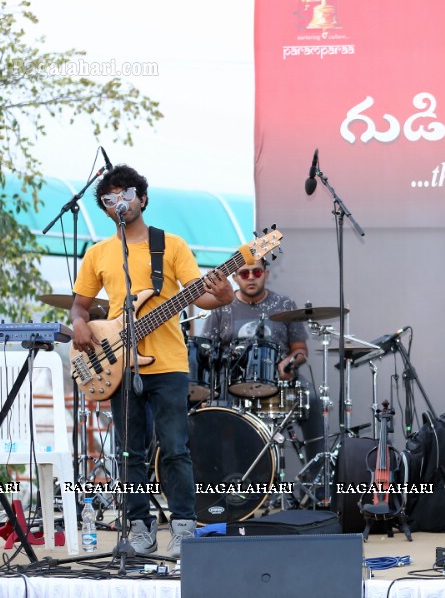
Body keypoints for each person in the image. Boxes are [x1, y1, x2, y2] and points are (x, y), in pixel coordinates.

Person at [70, 165, 233, 557]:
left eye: (125, 193)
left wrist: (224, 295)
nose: (118, 202)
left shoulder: (171, 245)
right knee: (129, 452)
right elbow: (80, 305)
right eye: (110, 199)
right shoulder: (98, 253)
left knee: (175, 448)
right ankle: (140, 527)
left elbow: (199, 295)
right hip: (118, 364)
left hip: (169, 364)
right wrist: (79, 324)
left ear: (141, 198)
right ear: (107, 210)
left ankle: (182, 527)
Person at [198, 259, 325, 463]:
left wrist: (289, 363)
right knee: (215, 412)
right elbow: (206, 349)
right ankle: (229, 479)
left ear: (266, 273)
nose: (250, 277)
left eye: (256, 272)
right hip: (232, 384)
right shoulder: (222, 308)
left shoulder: (284, 305)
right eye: (244, 273)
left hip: (279, 381)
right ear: (236, 277)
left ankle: (316, 478)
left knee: (312, 399)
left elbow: (300, 350)